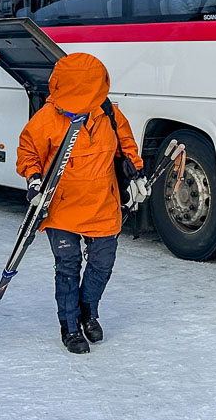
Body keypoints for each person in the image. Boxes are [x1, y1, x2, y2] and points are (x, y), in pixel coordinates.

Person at [16, 52, 147, 354]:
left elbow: (126, 145)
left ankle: (89, 311)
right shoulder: (48, 118)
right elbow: (28, 151)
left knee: (102, 264)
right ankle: (70, 325)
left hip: (103, 202)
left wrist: (136, 172)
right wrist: (34, 180)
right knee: (68, 266)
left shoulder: (109, 114)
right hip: (61, 207)